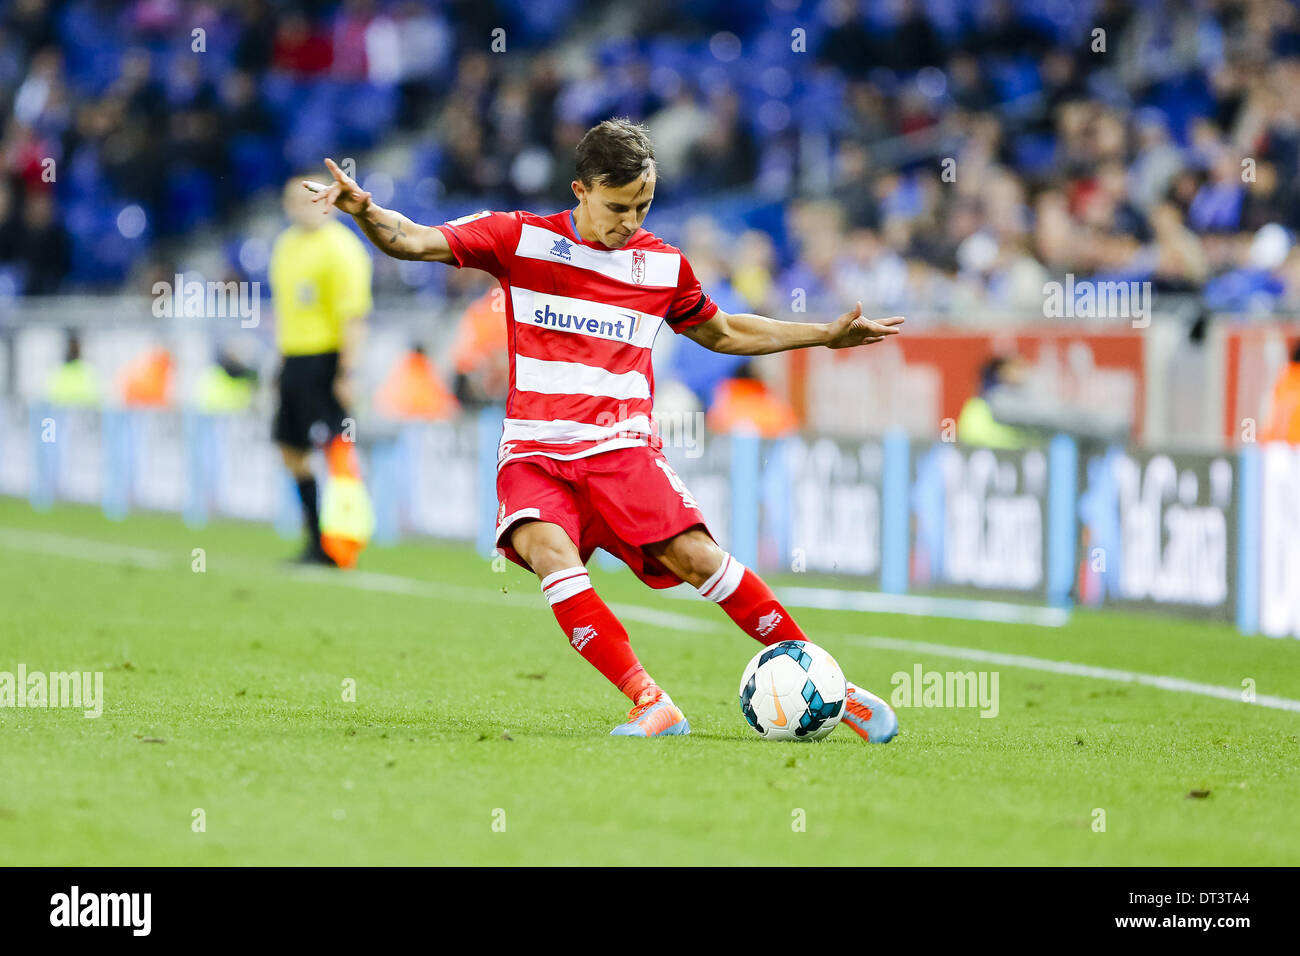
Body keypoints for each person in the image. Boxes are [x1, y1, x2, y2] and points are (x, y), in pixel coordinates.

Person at [308, 118, 904, 739]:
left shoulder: (663, 267)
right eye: (618, 206)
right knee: (548, 551)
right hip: (534, 453)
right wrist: (364, 211)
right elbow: (412, 240)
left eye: (643, 205)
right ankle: (651, 701)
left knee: (698, 559)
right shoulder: (518, 239)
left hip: (622, 449)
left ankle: (827, 684)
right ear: (579, 190)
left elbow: (724, 332)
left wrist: (824, 334)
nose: (631, 220)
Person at [270, 173, 373, 565]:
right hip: (294, 359)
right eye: (294, 201)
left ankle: (343, 542)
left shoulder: (342, 249)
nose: (302, 208)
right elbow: (286, 311)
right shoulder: (284, 247)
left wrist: (347, 372)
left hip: (327, 361)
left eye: (310, 200)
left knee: (335, 451)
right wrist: (281, 364)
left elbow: (354, 316)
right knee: (291, 450)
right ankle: (316, 540)